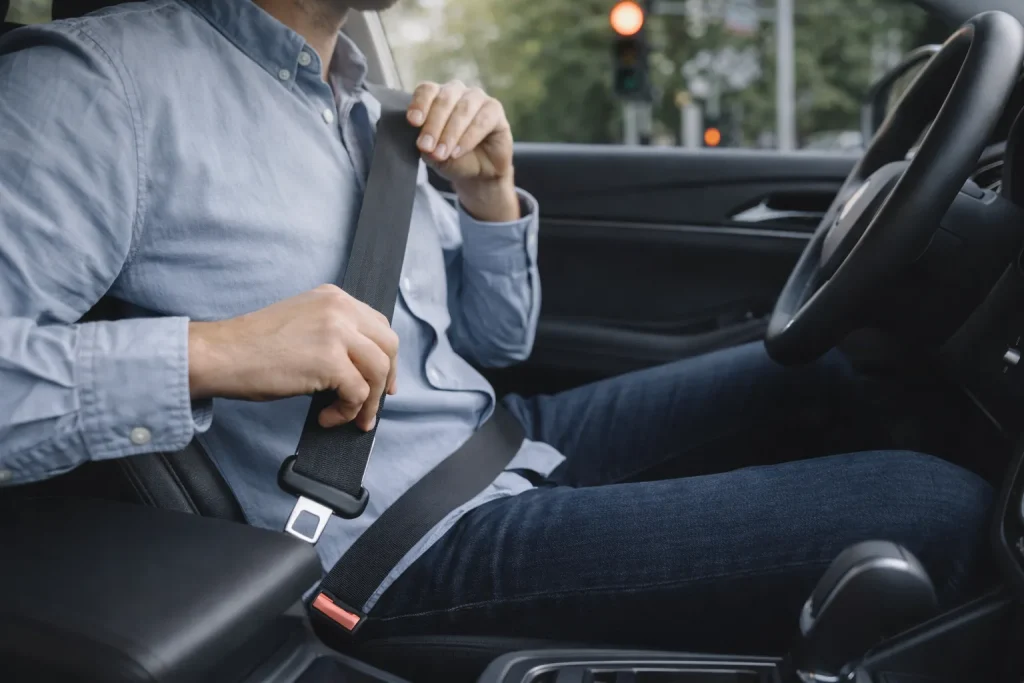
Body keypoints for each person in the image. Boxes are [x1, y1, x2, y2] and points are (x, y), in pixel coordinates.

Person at [0, 0, 992, 655]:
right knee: (935, 503)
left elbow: (492, 342)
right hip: (394, 541)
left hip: (498, 437)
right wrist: (211, 353)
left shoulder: (367, 110)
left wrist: (488, 197)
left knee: (828, 367)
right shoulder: (97, 87)